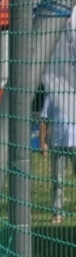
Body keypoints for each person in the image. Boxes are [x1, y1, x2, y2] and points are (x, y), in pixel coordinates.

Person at [44, 80, 76, 224]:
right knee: (58, 180)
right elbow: (44, 118)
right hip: (57, 142)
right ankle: (58, 213)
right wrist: (43, 142)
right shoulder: (51, 95)